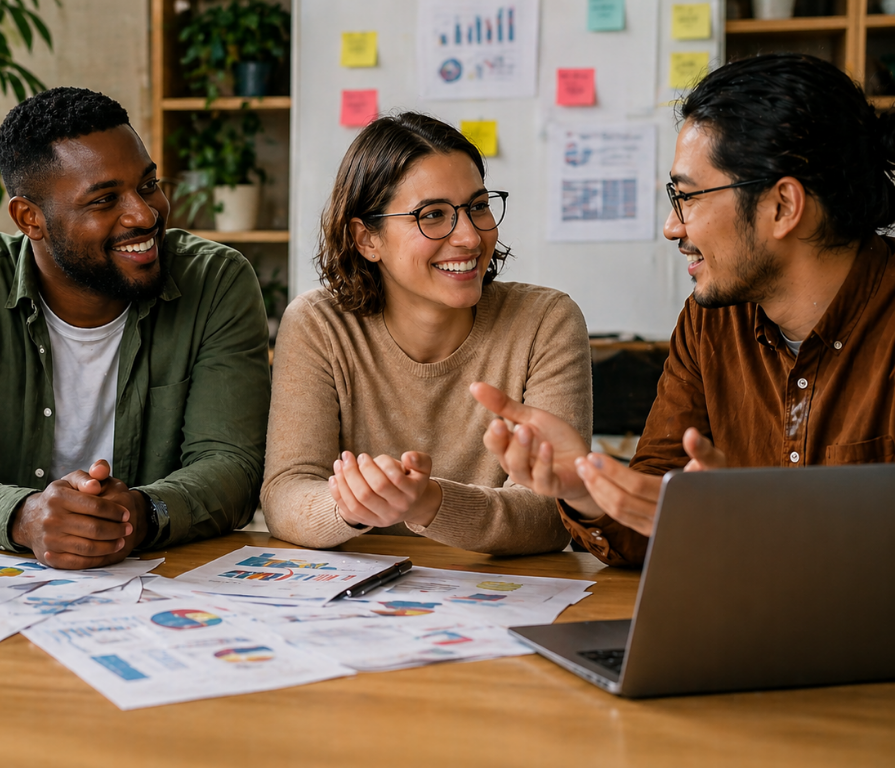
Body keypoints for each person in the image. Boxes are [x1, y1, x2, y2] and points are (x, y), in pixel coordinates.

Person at [473, 53, 895, 567]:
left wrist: (745, 524)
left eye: (688, 197)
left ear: (782, 206)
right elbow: (653, 517)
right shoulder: (711, 322)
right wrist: (586, 486)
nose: (673, 227)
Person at [0, 87, 270, 569]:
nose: (145, 214)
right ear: (30, 219)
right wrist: (25, 517)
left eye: (148, 184)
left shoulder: (215, 281)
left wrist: (141, 513)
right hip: (1, 588)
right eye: (105, 200)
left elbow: (233, 466)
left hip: (167, 587)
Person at [262, 113, 591, 554]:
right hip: (354, 599)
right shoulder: (318, 325)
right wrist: (355, 505)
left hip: (504, 594)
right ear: (366, 239)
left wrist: (427, 502)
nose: (470, 237)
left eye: (478, 206)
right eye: (433, 215)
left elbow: (553, 513)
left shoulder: (546, 321)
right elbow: (284, 493)